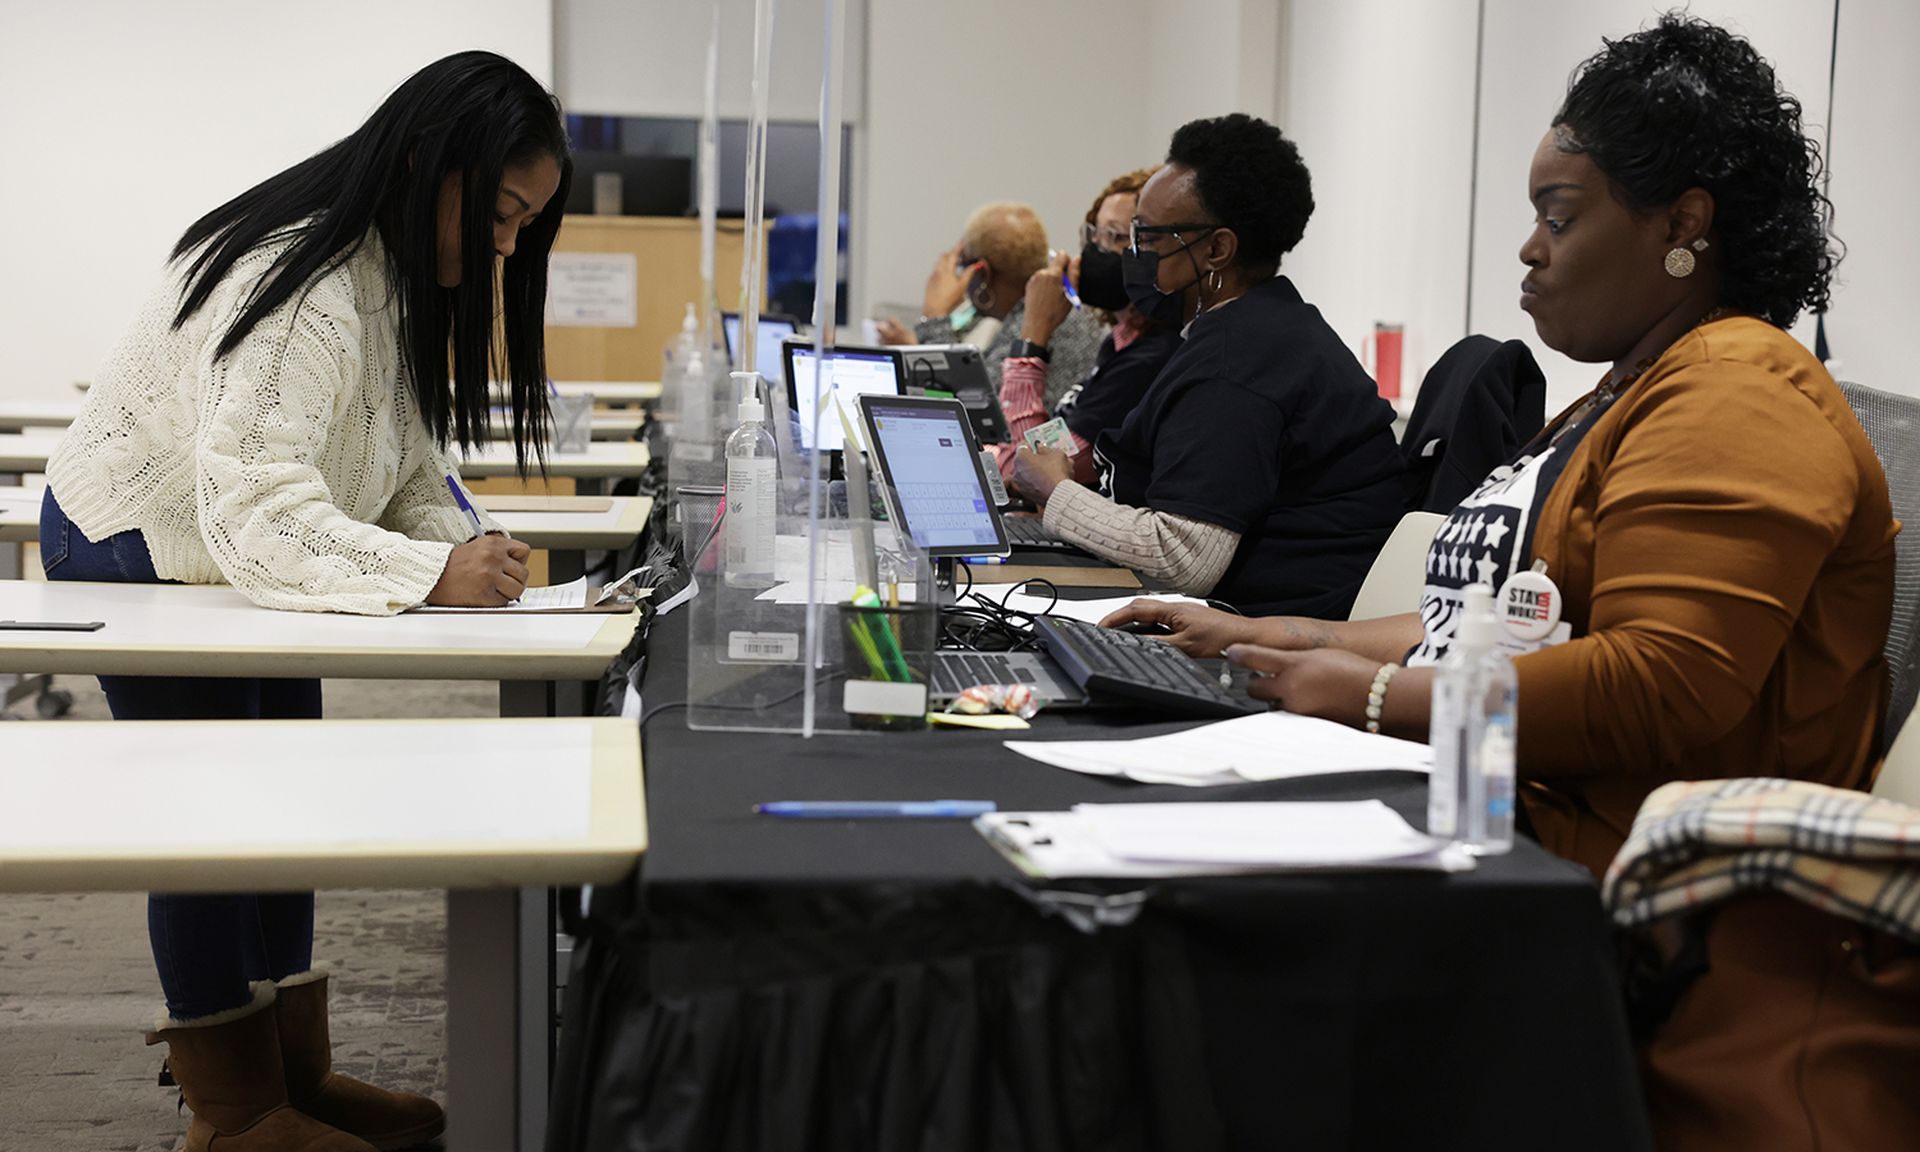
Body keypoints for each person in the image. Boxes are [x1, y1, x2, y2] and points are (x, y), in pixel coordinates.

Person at [1103, 20, 1894, 884]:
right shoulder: (1629, 390)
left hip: (1618, 888)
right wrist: (1277, 633)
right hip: (1508, 819)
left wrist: (1368, 696)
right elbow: (1489, 629)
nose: (1529, 246)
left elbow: (1659, 686)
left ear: (1683, 223)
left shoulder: (1740, 395)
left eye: (1558, 216)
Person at [39, 51, 571, 1152]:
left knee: (281, 783)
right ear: (436, 166)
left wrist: (471, 548)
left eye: (529, 224)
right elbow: (255, 505)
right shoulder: (303, 289)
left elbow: (406, 463)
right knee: (206, 810)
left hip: (237, 547)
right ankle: (231, 1116)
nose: (512, 245)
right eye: (507, 215)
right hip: (135, 537)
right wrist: (430, 573)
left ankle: (291, 1076)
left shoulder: (390, 278)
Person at [1010, 115, 1405, 617]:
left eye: (1147, 238)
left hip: (1267, 636)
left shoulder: (1237, 365)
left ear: (1217, 249)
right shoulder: (1253, 326)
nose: (1134, 255)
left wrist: (1054, 489)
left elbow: (1184, 557)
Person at [989, 167, 1182, 486]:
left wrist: (1034, 334)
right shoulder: (1121, 342)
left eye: (1115, 237)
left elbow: (1039, 470)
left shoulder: (1150, 358)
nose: (1094, 250)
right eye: (1094, 234)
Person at [880, 201, 1104, 415]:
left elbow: (974, 407)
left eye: (962, 264)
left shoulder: (1052, 319)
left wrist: (934, 319)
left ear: (982, 273)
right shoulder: (1020, 313)